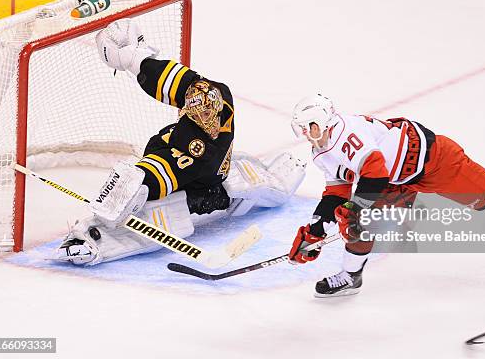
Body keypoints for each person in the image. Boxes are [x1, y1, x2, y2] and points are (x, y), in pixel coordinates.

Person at [288, 94, 485, 297]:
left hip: (435, 161)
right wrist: (315, 229)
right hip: (399, 177)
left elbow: (375, 171)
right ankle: (350, 276)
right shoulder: (321, 152)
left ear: (326, 119)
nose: (307, 135)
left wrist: (356, 208)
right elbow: (336, 193)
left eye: (311, 126)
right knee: (359, 222)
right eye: (301, 129)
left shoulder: (346, 133)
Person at [56, 19, 305, 265]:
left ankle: (95, 237)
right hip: (175, 146)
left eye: (208, 114)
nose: (206, 120)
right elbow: (170, 77)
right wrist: (136, 59)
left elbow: (170, 170)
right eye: (197, 115)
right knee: (140, 176)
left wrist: (137, 182)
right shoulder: (213, 92)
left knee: (151, 188)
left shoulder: (199, 150)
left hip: (204, 172)